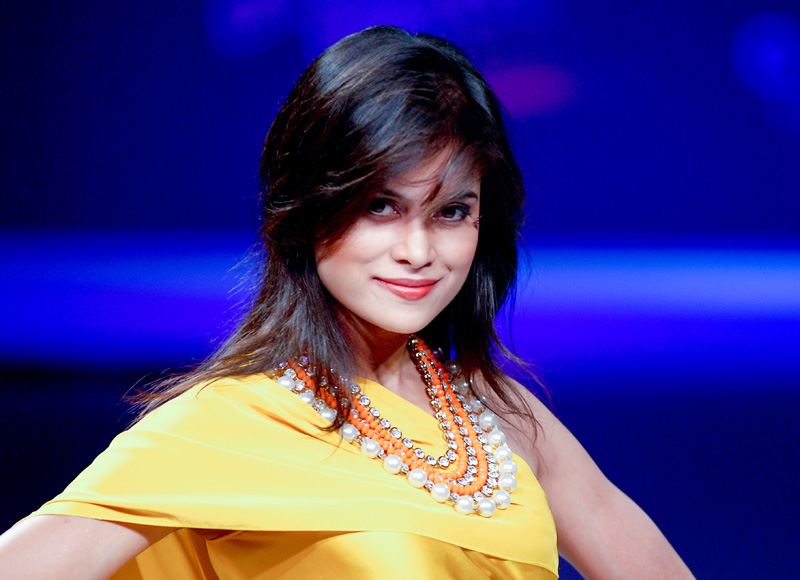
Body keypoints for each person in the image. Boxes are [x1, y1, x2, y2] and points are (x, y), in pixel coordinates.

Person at [0, 26, 694, 580]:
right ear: (307, 205)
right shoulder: (228, 421)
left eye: (452, 212)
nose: (418, 250)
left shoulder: (503, 416)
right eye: (380, 206)